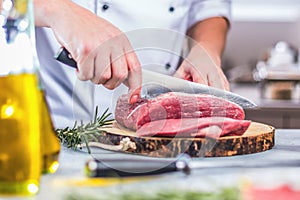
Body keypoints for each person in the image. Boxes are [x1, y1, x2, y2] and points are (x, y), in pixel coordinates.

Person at [32, 0, 231, 128]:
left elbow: (207, 6)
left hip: (153, 135)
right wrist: (56, 9)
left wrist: (205, 46)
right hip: (52, 127)